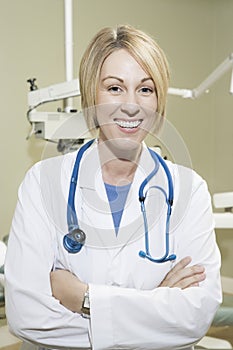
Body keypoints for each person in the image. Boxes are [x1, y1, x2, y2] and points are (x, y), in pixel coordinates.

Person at [5, 25, 222, 350]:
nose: (131, 105)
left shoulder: (190, 189)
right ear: (91, 95)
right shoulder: (43, 182)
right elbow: (27, 316)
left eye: (145, 89)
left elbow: (195, 317)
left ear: (159, 99)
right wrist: (154, 304)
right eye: (115, 88)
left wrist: (86, 298)